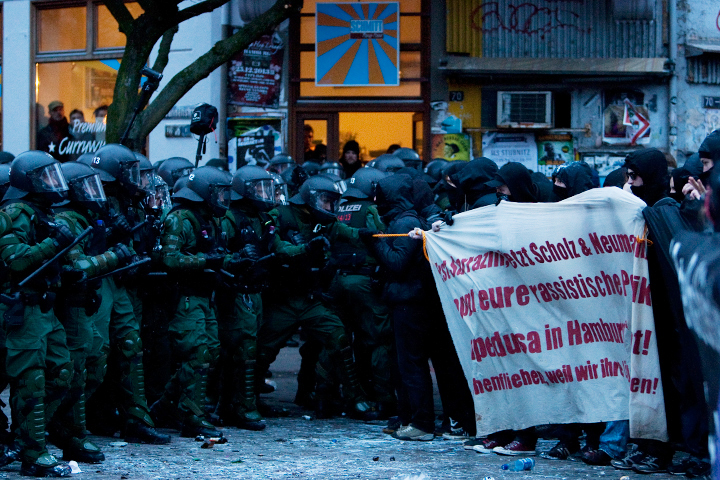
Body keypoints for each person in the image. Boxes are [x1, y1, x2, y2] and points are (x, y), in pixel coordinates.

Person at [258, 175, 375, 420]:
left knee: (338, 337)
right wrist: (306, 249)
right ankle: (245, 401)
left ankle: (357, 399)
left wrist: (371, 234)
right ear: (310, 198)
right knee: (261, 351)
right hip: (284, 299)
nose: (330, 208)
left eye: (333, 203)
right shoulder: (280, 215)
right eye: (326, 201)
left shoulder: (323, 221)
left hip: (310, 298)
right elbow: (277, 249)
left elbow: (349, 233)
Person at [82, 144, 170, 445]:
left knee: (131, 346)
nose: (137, 179)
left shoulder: (127, 200)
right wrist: (107, 229)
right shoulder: (93, 194)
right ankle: (70, 422)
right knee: (95, 353)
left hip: (120, 277)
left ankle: (137, 419)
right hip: (99, 275)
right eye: (130, 173)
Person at [0, 151, 74, 477]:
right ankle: (34, 454)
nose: (52, 184)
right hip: (24, 308)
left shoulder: (43, 212)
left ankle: (23, 439)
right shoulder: (15, 212)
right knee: (31, 381)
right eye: (45, 177)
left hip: (44, 307)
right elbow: (15, 260)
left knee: (62, 373)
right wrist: (53, 244)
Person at [151, 166, 238, 438]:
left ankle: (167, 407)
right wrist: (206, 261)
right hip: (185, 298)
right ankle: (191, 415)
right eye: (219, 194)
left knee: (209, 353)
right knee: (197, 354)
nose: (224, 201)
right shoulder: (180, 219)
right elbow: (169, 259)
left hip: (204, 296)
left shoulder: (209, 219)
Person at [215, 165, 278, 431]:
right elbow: (218, 252)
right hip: (237, 292)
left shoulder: (262, 217)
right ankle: (241, 407)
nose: (264, 194)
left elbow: (276, 246)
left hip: (256, 291)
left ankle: (241, 402)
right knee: (242, 350)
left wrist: (303, 249)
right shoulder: (229, 217)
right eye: (259, 189)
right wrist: (237, 258)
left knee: (249, 350)